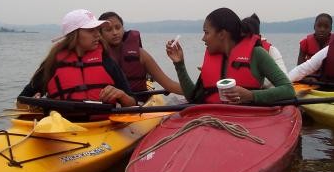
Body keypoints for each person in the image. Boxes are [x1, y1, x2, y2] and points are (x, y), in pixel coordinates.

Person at [165, 7, 296, 105]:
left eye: (206, 33)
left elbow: (288, 90)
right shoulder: (213, 58)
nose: (203, 38)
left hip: (249, 122)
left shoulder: (257, 54)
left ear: (222, 34)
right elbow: (193, 97)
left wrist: (251, 95)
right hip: (214, 121)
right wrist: (179, 64)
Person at [19, 9, 136, 107]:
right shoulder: (53, 63)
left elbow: (133, 103)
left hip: (102, 128)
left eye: (97, 29)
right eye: (91, 30)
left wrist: (121, 95)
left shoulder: (106, 61)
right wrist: (34, 103)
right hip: (61, 128)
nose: (98, 34)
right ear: (74, 34)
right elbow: (22, 100)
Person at [98, 12, 183, 95]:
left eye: (118, 28)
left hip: (139, 105)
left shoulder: (141, 54)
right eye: (108, 30)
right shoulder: (96, 57)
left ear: (123, 28)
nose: (115, 32)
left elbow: (168, 84)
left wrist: (194, 93)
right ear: (100, 34)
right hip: (109, 106)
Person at [242, 13, 288, 88]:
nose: (243, 42)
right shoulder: (234, 53)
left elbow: (285, 78)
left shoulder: (271, 50)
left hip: (268, 94)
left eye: (245, 37)